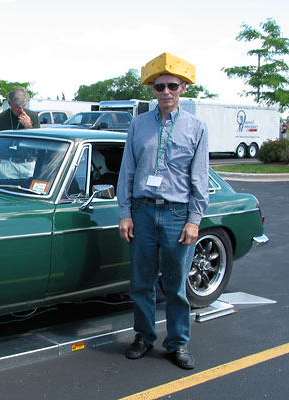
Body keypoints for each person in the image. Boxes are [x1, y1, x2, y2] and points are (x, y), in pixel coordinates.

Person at [117, 53, 209, 370]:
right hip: (142, 213)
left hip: (177, 214)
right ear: (152, 90)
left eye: (172, 85)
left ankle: (177, 343)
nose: (166, 92)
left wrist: (194, 220)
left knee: (176, 285)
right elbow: (127, 172)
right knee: (141, 283)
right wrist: (125, 213)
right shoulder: (138, 124)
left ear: (182, 87)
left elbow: (199, 176)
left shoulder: (196, 128)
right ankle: (144, 337)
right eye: (159, 87)